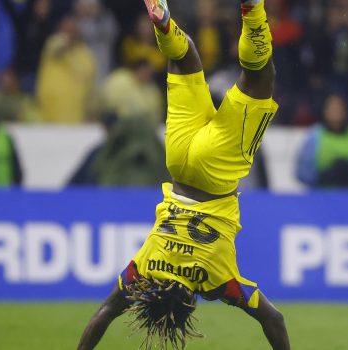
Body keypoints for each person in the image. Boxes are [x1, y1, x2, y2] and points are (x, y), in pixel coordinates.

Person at [77, 1, 290, 350]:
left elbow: (275, 319)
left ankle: (253, 10)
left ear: (191, 303)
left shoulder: (219, 282)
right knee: (185, 58)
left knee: (260, 77)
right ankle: (165, 26)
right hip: (177, 161)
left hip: (215, 171)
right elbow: (104, 311)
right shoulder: (143, 270)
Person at [296, 94, 348, 189]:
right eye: (332, 109)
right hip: (322, 196)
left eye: (339, 108)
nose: (336, 113)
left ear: (345, 111)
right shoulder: (315, 137)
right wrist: (325, 177)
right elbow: (302, 173)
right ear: (325, 111)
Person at [36, 15, 97, 124]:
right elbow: (56, 48)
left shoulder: (84, 52)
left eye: (73, 28)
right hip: (52, 110)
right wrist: (67, 39)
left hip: (76, 111)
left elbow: (90, 80)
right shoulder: (53, 42)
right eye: (67, 28)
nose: (70, 31)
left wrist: (91, 109)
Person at [101, 58, 163, 126]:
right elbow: (108, 102)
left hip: (142, 127)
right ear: (138, 69)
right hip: (117, 123)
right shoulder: (120, 80)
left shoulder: (152, 90)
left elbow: (156, 113)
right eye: (145, 71)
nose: (147, 75)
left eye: (150, 73)